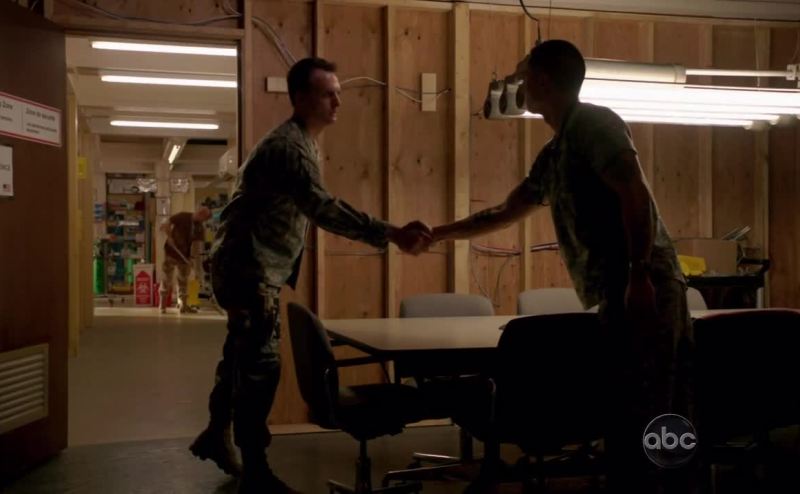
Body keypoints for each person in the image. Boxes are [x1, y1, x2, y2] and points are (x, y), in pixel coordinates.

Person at [430, 40, 693, 493]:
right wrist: (437, 234)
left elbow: (633, 192)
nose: (517, 86)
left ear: (543, 81)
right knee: (625, 408)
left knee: (653, 406)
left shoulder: (594, 124)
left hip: (644, 286)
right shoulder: (557, 152)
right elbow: (504, 212)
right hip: (617, 292)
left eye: (522, 76)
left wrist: (639, 275)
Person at [189, 57, 431, 494]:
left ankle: (215, 433)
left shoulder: (303, 142)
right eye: (327, 94)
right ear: (301, 98)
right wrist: (392, 234)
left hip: (248, 266)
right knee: (261, 368)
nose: (338, 101)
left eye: (338, 92)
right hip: (250, 270)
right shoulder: (290, 149)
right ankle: (255, 471)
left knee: (240, 357)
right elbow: (323, 208)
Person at [159, 206, 211, 314]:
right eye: (201, 213)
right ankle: (162, 305)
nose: (201, 216)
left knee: (183, 279)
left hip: (185, 256)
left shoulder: (199, 228)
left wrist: (192, 259)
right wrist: (170, 237)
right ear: (198, 211)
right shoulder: (182, 216)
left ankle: (183, 305)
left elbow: (197, 246)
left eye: (204, 217)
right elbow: (166, 223)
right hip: (171, 252)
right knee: (167, 278)